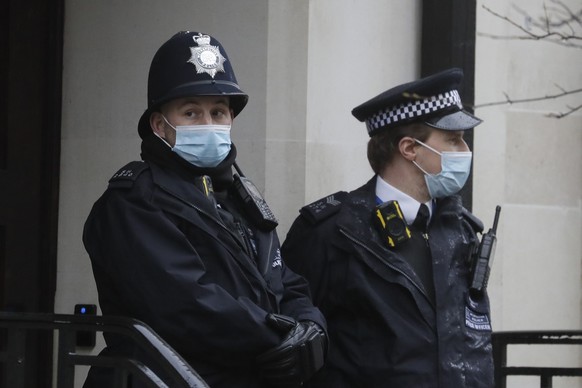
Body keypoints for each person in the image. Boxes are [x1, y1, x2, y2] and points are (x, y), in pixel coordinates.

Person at [82, 31, 326, 388]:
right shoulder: (134, 201)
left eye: (218, 112)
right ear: (159, 125)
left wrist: (311, 326)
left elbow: (285, 281)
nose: (209, 125)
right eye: (192, 112)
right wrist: (282, 338)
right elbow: (187, 306)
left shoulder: (237, 194)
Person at [281, 68, 495, 387]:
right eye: (453, 140)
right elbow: (292, 340)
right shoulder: (332, 232)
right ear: (409, 149)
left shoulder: (459, 229)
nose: (465, 152)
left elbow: (470, 350)